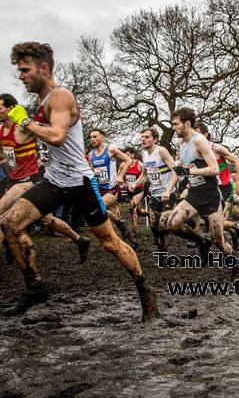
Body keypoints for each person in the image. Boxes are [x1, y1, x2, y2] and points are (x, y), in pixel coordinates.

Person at [2, 42, 158, 321]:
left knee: (110, 243)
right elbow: (26, 137)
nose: (21, 76)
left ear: (44, 68)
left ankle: (145, 290)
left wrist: (24, 122)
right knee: (9, 224)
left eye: (25, 70)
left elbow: (57, 135)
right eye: (19, 70)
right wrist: (16, 122)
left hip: (79, 183)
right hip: (52, 181)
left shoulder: (61, 97)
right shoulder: (40, 104)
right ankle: (34, 286)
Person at [0, 92, 91, 263]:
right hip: (14, 180)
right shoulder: (0, 131)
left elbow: (49, 134)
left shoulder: (23, 129)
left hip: (29, 179)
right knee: (48, 220)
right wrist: (9, 171)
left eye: (0, 108)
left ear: (11, 108)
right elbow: (3, 156)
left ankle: (13, 252)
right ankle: (79, 239)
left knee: (3, 215)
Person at [166, 107, 233, 263]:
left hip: (211, 196)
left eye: (176, 124)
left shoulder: (200, 141)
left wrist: (193, 172)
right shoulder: (180, 143)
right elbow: (181, 170)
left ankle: (234, 266)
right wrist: (169, 188)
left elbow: (215, 169)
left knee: (219, 241)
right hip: (194, 195)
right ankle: (202, 242)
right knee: (172, 224)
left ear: (187, 124)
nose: (173, 128)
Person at [195, 121, 239, 246]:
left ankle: (236, 227)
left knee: (218, 219)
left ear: (206, 135)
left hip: (223, 186)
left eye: (197, 135)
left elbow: (236, 161)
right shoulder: (195, 151)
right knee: (206, 217)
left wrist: (238, 181)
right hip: (208, 187)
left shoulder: (216, 148)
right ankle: (233, 230)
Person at [89, 129, 136, 247]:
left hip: (112, 188)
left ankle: (121, 223)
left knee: (99, 207)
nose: (92, 139)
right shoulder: (91, 155)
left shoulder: (110, 150)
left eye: (95, 137)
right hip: (100, 188)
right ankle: (133, 241)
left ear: (102, 138)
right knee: (115, 216)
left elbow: (129, 160)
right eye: (91, 137)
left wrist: (120, 176)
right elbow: (92, 171)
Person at [120, 147, 146, 241]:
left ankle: (135, 230)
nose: (126, 157)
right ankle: (146, 213)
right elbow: (119, 177)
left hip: (139, 188)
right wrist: (123, 184)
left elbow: (145, 176)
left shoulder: (140, 165)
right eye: (125, 155)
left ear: (132, 155)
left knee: (132, 206)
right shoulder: (123, 165)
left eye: (128, 155)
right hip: (128, 189)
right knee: (135, 210)